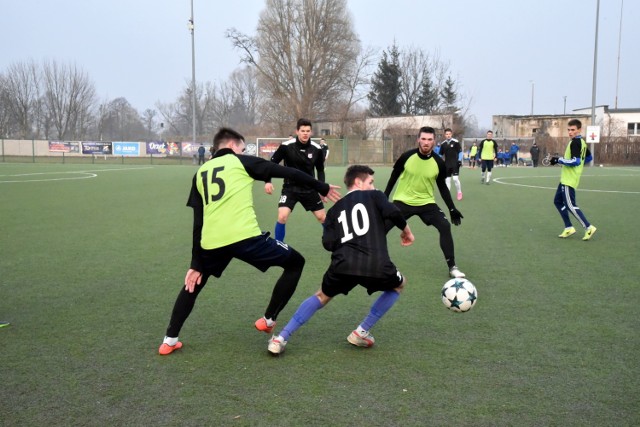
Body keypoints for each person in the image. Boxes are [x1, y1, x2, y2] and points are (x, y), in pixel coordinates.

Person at [158, 127, 341, 356]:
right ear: (233, 146)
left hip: (212, 242)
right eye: (242, 148)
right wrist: (322, 186)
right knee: (296, 262)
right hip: (245, 238)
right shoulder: (240, 162)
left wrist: (196, 262)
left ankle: (169, 340)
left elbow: (198, 221)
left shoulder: (201, 173)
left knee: (193, 283)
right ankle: (268, 319)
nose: (243, 152)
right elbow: (291, 173)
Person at [267, 165, 414, 355]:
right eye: (370, 182)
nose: (373, 186)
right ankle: (361, 331)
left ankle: (280, 339)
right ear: (358, 182)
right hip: (375, 263)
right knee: (398, 285)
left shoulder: (334, 211)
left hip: (342, 264)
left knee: (321, 296)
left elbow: (328, 243)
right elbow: (393, 213)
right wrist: (407, 232)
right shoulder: (375, 196)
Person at [384, 126, 465, 279]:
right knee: (381, 228)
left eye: (429, 139)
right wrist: (384, 197)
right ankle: (376, 262)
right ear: (418, 140)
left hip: (426, 203)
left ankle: (452, 267)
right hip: (402, 201)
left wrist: (452, 208)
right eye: (423, 139)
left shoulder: (438, 163)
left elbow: (442, 187)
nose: (426, 142)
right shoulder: (406, 156)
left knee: (445, 226)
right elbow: (394, 176)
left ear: (434, 141)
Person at [264, 118, 327, 242]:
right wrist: (267, 181)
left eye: (308, 131)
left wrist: (322, 189)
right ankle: (278, 247)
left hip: (310, 189)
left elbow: (320, 170)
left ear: (311, 132)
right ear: (297, 131)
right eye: (302, 130)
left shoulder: (317, 149)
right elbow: (271, 164)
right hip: (290, 188)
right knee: (282, 216)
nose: (305, 133)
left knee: (322, 217)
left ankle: (334, 243)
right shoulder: (286, 146)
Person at [551, 119, 597, 241]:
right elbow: (589, 158)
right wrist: (577, 165)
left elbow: (576, 161)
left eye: (573, 130)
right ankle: (568, 227)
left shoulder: (575, 143)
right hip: (566, 178)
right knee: (557, 201)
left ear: (579, 130)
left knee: (571, 206)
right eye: (569, 130)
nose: (570, 132)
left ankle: (588, 227)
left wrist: (558, 160)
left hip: (569, 179)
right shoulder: (582, 142)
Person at [439, 128, 463, 200]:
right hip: (447, 165)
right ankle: (448, 195)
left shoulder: (456, 142)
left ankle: (459, 192)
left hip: (455, 164)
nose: (448, 135)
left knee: (455, 179)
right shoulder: (443, 144)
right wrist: (440, 161)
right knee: (447, 180)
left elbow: (460, 152)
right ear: (445, 135)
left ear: (451, 134)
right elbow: (440, 154)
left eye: (449, 134)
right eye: (447, 134)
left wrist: (459, 160)